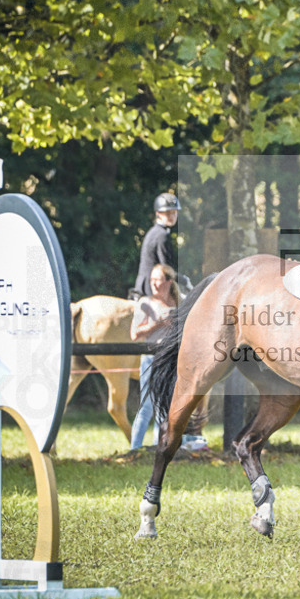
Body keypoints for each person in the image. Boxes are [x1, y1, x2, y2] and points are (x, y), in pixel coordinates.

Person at [129, 263, 182, 451]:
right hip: (150, 359)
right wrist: (158, 324)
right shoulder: (145, 303)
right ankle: (134, 449)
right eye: (151, 280)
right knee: (146, 406)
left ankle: (157, 448)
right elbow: (134, 334)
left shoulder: (179, 302)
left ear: (168, 281)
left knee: (164, 408)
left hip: (171, 360)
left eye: (157, 280)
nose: (153, 284)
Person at [133, 193, 181, 299]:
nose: (172, 216)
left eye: (174, 212)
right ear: (158, 213)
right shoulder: (162, 235)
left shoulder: (155, 231)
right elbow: (166, 268)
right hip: (153, 286)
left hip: (146, 283)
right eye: (168, 213)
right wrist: (183, 280)